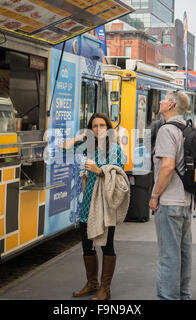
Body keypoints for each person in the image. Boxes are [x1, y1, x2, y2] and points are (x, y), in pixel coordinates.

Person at [62, 113, 125, 300]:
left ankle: (105, 289)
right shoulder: (87, 147)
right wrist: (79, 137)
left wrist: (99, 171)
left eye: (102, 125)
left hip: (105, 205)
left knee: (107, 246)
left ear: (108, 128)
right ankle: (92, 284)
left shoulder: (114, 150)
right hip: (87, 203)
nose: (99, 129)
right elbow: (63, 150)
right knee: (87, 246)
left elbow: (119, 178)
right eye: (95, 126)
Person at [148, 90, 192, 300]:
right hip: (185, 200)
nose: (162, 101)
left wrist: (155, 195)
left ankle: (168, 298)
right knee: (183, 254)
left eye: (165, 98)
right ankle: (183, 295)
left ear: (171, 104)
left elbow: (167, 167)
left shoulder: (167, 130)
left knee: (168, 255)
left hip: (169, 201)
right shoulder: (186, 127)